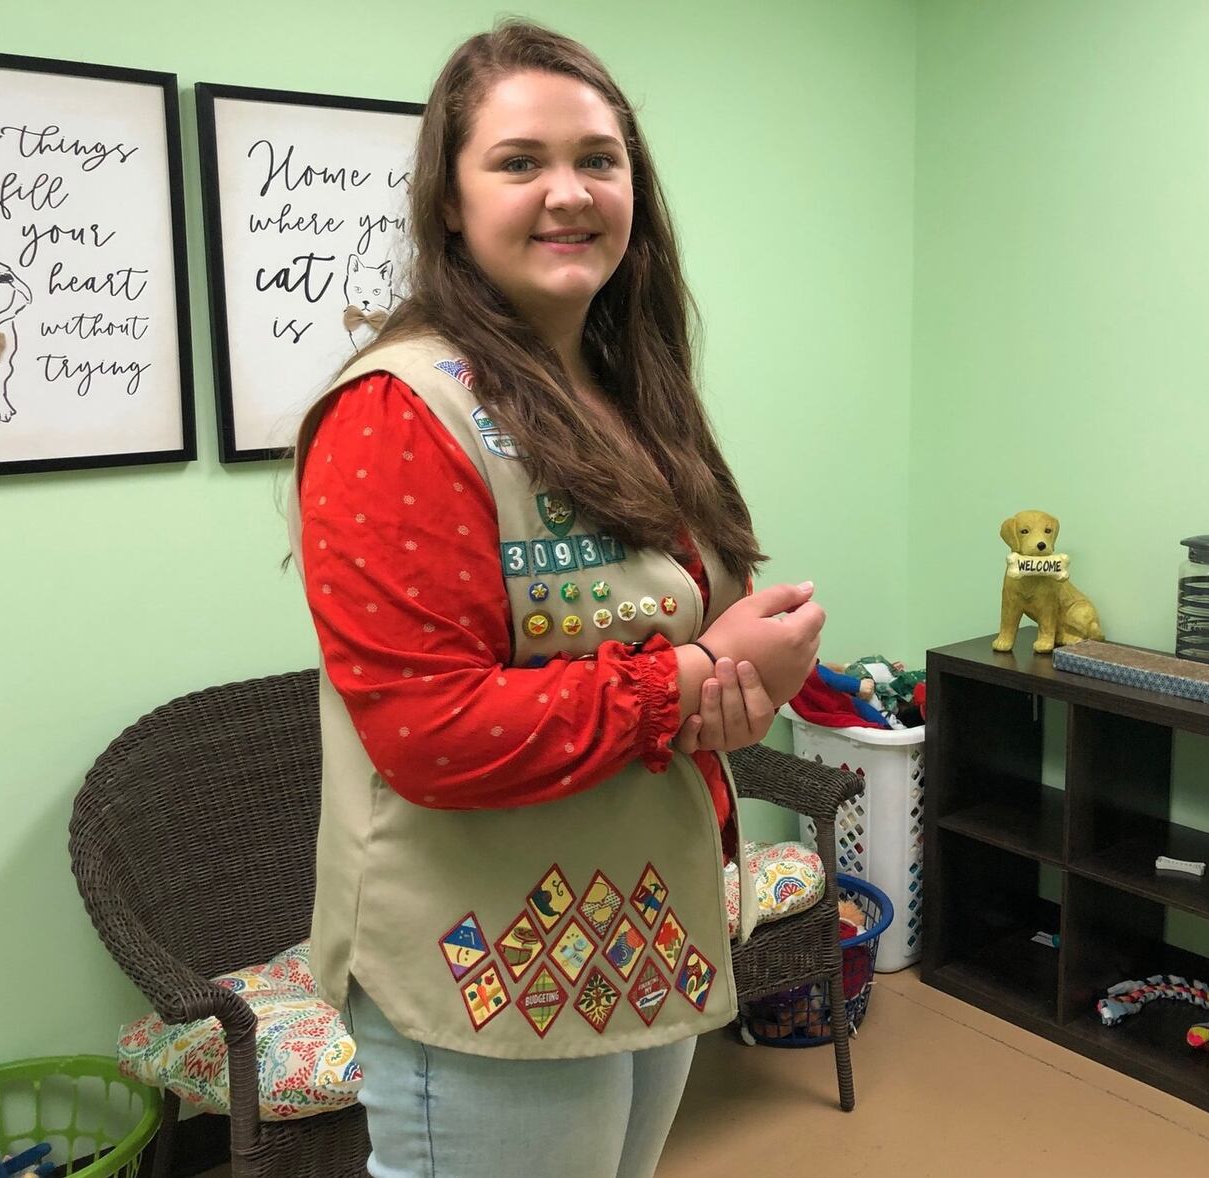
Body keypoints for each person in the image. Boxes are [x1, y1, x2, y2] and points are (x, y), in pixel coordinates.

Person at [287, 19, 824, 1178]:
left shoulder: (623, 390)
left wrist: (731, 690)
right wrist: (691, 678)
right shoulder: (399, 410)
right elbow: (430, 734)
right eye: (519, 161)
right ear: (449, 199)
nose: (568, 192)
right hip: (483, 961)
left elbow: (654, 639)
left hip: (640, 930)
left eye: (599, 158)